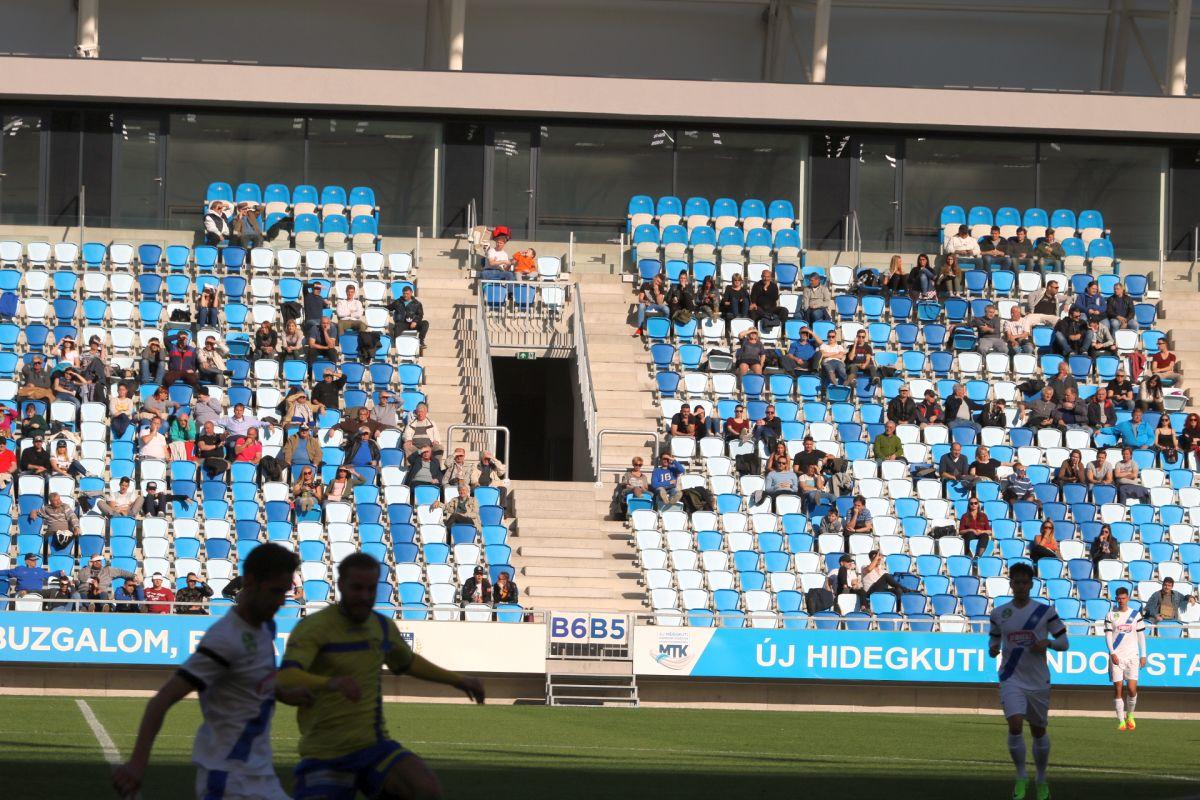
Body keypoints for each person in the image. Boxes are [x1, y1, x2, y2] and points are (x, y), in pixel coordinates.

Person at [277, 552, 485, 800]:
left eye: (371, 589)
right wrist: (330, 683)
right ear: (340, 585)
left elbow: (408, 662)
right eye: (357, 588)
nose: (365, 596)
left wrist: (458, 680)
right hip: (325, 751)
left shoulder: (382, 627)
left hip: (373, 746)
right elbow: (287, 676)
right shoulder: (314, 627)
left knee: (425, 788)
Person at [112, 544, 304, 800]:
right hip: (229, 781)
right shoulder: (224, 639)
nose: (282, 601)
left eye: (285, 591)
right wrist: (137, 763)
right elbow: (163, 699)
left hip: (260, 775)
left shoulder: (265, 627)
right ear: (249, 582)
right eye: (275, 591)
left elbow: (256, 681)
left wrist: (295, 694)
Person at [989, 562, 1069, 800]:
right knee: (1014, 725)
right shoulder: (999, 613)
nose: (1021, 586)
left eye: (1025, 582)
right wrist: (993, 648)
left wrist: (1049, 643)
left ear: (1031, 585)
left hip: (1037, 679)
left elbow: (1064, 643)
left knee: (1038, 730)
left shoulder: (1045, 611)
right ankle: (1021, 775)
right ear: (1011, 584)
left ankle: (1041, 778)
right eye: (1017, 582)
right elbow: (994, 639)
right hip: (1010, 677)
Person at [1105, 586, 1147, 732]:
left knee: (1131, 688)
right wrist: (1112, 653)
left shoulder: (1135, 615)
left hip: (1132, 656)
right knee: (1118, 688)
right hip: (1117, 656)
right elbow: (1108, 636)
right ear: (1116, 599)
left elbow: (1141, 636)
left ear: (1128, 598)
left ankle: (1130, 714)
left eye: (1123, 598)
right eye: (1119, 598)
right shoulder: (1111, 615)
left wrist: (1143, 654)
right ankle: (1121, 721)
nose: (1121, 601)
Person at [0, 553, 69, 597]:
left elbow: (50, 574)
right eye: (32, 560)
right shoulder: (20, 569)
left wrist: (59, 572)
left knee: (53, 591)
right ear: (27, 561)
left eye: (35, 560)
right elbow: (7, 572)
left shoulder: (39, 570)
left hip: (37, 594)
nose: (35, 561)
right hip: (22, 593)